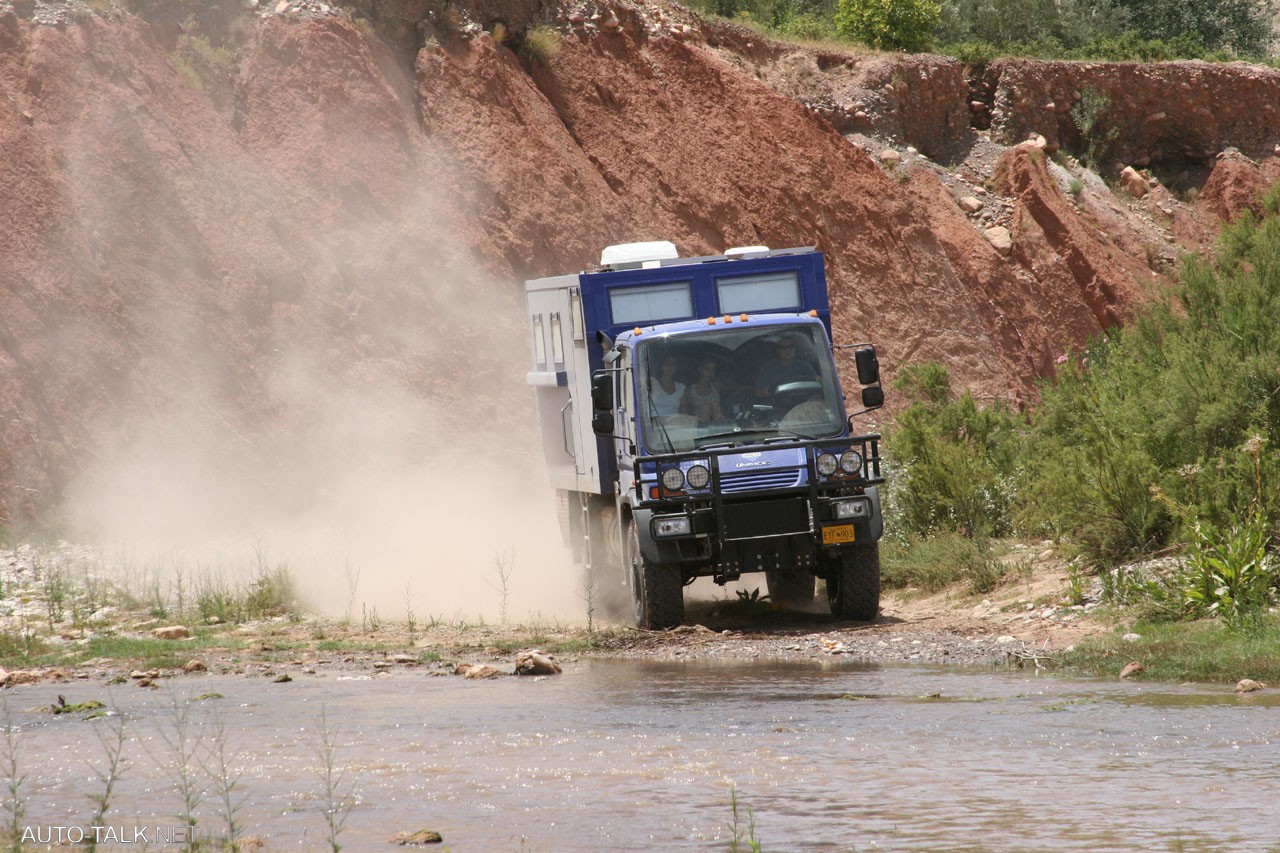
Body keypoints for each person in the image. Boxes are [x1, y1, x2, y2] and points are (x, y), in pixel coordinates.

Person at [682, 357, 726, 422]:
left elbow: (735, 388)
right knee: (706, 408)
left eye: (713, 370)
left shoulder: (717, 386)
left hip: (718, 425)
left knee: (715, 405)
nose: (711, 372)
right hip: (699, 427)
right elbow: (686, 415)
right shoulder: (689, 391)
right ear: (700, 369)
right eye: (707, 369)